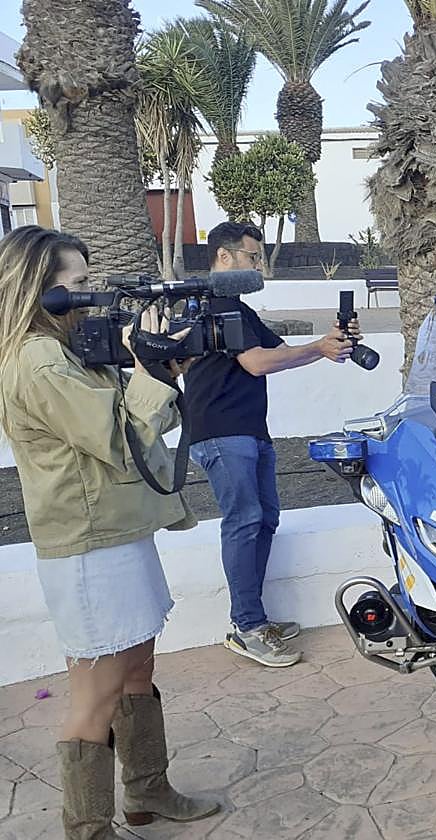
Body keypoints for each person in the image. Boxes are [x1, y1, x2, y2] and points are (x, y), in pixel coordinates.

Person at [0, 226, 220, 838]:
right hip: (88, 547)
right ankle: (88, 827)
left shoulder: (69, 352)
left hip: (118, 534)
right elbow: (118, 438)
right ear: (37, 291)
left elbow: (137, 417)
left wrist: (156, 365)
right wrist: (151, 367)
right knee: (93, 700)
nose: (89, 296)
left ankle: (148, 793)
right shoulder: (36, 360)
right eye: (76, 285)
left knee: (135, 674)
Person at [184, 221, 357, 668]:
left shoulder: (239, 309)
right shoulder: (215, 305)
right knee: (244, 521)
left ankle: (253, 620)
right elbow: (258, 363)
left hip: (248, 432)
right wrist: (318, 348)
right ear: (225, 257)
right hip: (222, 432)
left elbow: (281, 352)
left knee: (263, 519)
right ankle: (247, 626)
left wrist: (330, 343)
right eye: (252, 257)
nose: (258, 266)